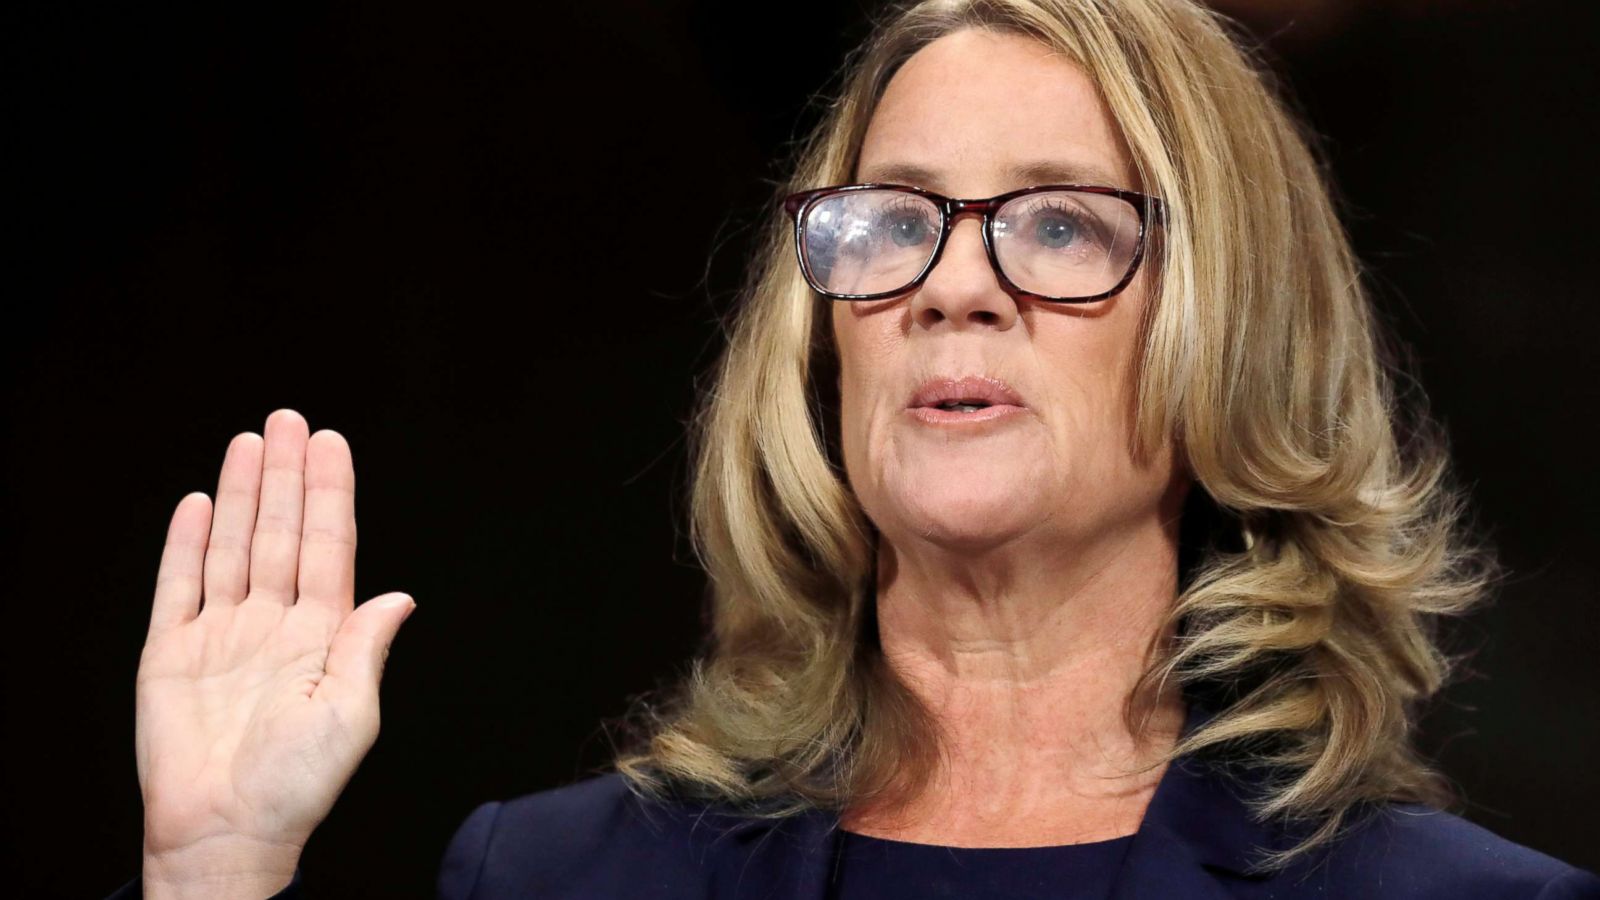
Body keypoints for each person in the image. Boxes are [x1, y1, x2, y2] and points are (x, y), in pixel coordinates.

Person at [109, 0, 1600, 898]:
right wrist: (210, 870)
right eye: (892, 220)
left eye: (1062, 221)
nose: (953, 282)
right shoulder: (561, 876)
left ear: (1230, 324)